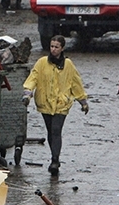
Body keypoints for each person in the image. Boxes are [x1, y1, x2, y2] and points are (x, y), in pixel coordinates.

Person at [22, 35, 88, 176]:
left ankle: (55, 160)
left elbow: (76, 82)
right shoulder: (41, 63)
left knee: (56, 130)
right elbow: (33, 78)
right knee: (51, 131)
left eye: (56, 47)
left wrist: (83, 101)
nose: (53, 49)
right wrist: (28, 93)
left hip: (61, 103)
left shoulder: (68, 65)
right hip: (45, 102)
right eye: (52, 46)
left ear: (62, 48)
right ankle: (54, 156)